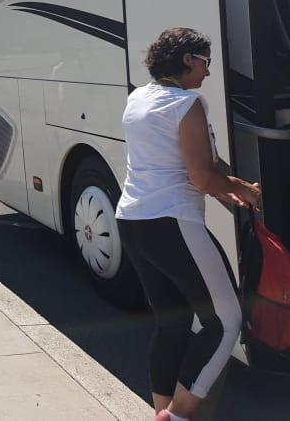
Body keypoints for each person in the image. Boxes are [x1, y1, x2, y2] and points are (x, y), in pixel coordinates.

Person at [116, 28, 261, 421]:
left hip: (133, 220)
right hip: (171, 222)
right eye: (205, 63)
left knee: (172, 321)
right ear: (187, 59)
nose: (207, 73)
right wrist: (244, 190)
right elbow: (200, 177)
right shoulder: (186, 103)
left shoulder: (138, 97)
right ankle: (177, 416)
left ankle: (160, 411)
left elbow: (173, 166)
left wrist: (224, 188)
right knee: (226, 321)